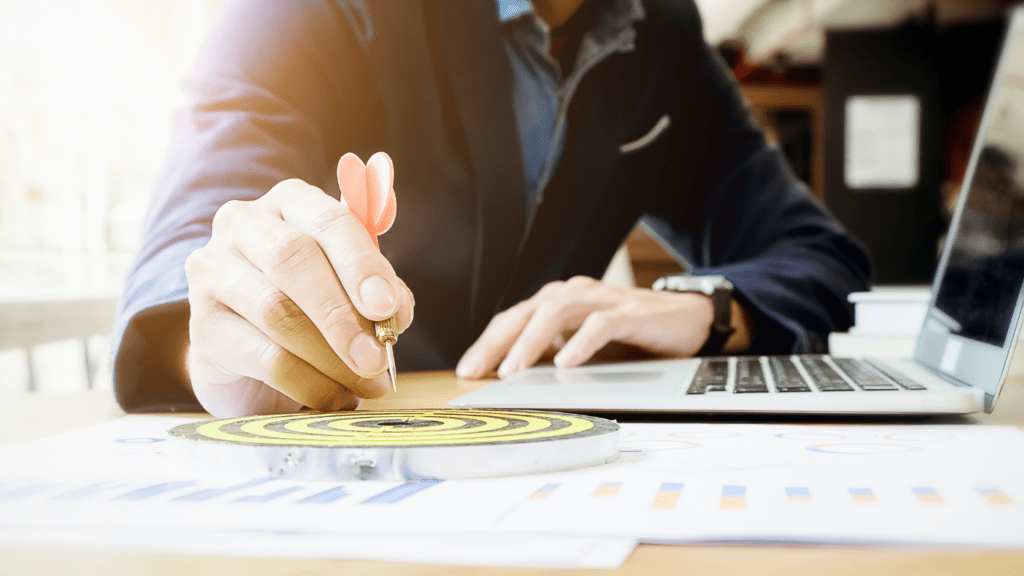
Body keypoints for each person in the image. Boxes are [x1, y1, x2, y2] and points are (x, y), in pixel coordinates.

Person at [112, 0, 871, 417]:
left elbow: (816, 254)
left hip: (552, 457)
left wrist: (709, 308)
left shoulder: (663, 38)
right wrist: (212, 343)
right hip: (352, 436)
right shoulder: (318, 10)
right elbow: (201, 229)